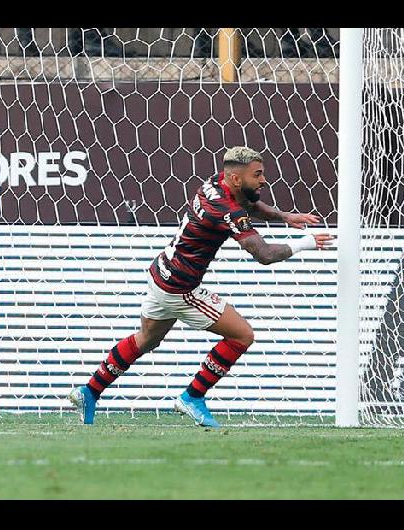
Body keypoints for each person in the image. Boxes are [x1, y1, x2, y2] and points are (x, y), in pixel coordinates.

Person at [68, 146, 334, 427]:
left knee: (146, 339)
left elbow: (250, 204)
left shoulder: (215, 184)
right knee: (242, 336)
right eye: (258, 175)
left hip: (161, 272)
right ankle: (193, 397)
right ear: (235, 178)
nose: (263, 180)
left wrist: (285, 217)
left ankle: (90, 390)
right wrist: (307, 243)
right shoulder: (225, 210)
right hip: (180, 289)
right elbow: (264, 254)